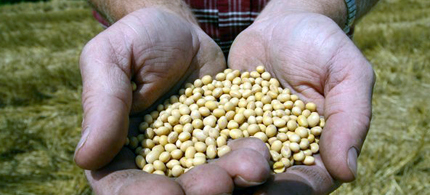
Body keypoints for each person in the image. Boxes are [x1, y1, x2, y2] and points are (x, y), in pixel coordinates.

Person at [74, 0, 378, 194]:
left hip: (291, 67)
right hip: (171, 66)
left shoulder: (285, 113)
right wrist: (143, 7)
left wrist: (310, 6)